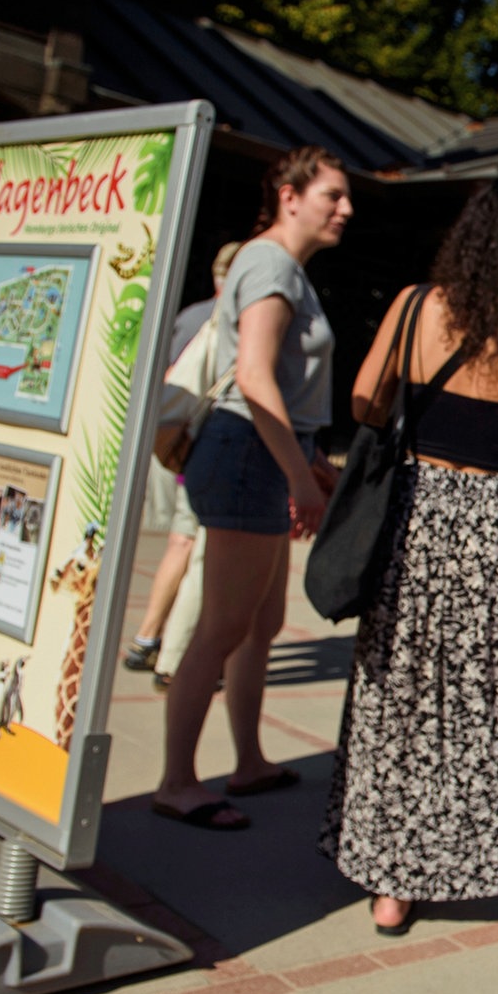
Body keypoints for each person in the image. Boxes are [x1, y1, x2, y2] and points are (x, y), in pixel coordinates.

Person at [319, 170, 498, 942]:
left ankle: (394, 889)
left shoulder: (418, 306)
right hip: (495, 529)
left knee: (401, 697)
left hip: (413, 517)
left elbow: (364, 401)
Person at [152, 146, 346, 831]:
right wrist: (301, 476)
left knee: (258, 625)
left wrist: (309, 461)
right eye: (333, 195)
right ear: (290, 196)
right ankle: (177, 780)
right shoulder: (268, 263)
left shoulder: (281, 267)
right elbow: (255, 375)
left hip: (263, 452)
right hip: (247, 453)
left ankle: (250, 760)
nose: (345, 209)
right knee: (223, 627)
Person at [125, 240, 242, 680]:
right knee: (201, 554)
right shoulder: (224, 324)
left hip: (184, 447)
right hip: (210, 447)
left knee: (180, 543)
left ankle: (146, 637)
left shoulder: (187, 317)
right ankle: (177, 658)